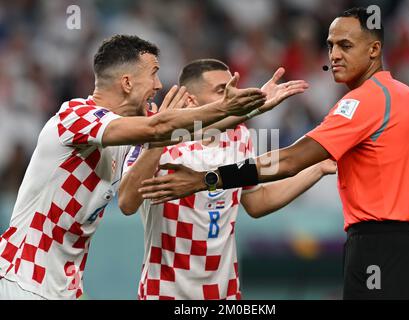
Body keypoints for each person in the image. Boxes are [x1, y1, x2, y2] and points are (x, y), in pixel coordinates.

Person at [139, 8, 409, 299]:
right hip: (404, 246)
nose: (334, 55)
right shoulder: (405, 97)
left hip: (375, 246)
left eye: (346, 46)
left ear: (374, 50)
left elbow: (288, 160)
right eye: (330, 45)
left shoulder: (363, 102)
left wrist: (205, 180)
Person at [0, 34, 268, 300]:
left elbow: (191, 128)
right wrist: (225, 108)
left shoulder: (128, 131)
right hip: (23, 278)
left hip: (63, 286)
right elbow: (162, 127)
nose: (159, 84)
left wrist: (260, 104)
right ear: (127, 82)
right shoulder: (75, 116)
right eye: (153, 74)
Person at [119, 58, 335, 300]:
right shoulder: (158, 139)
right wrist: (158, 143)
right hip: (165, 292)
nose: (233, 95)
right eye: (222, 90)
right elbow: (127, 203)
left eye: (234, 87)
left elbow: (256, 201)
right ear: (191, 99)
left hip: (225, 293)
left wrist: (318, 169)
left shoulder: (239, 136)